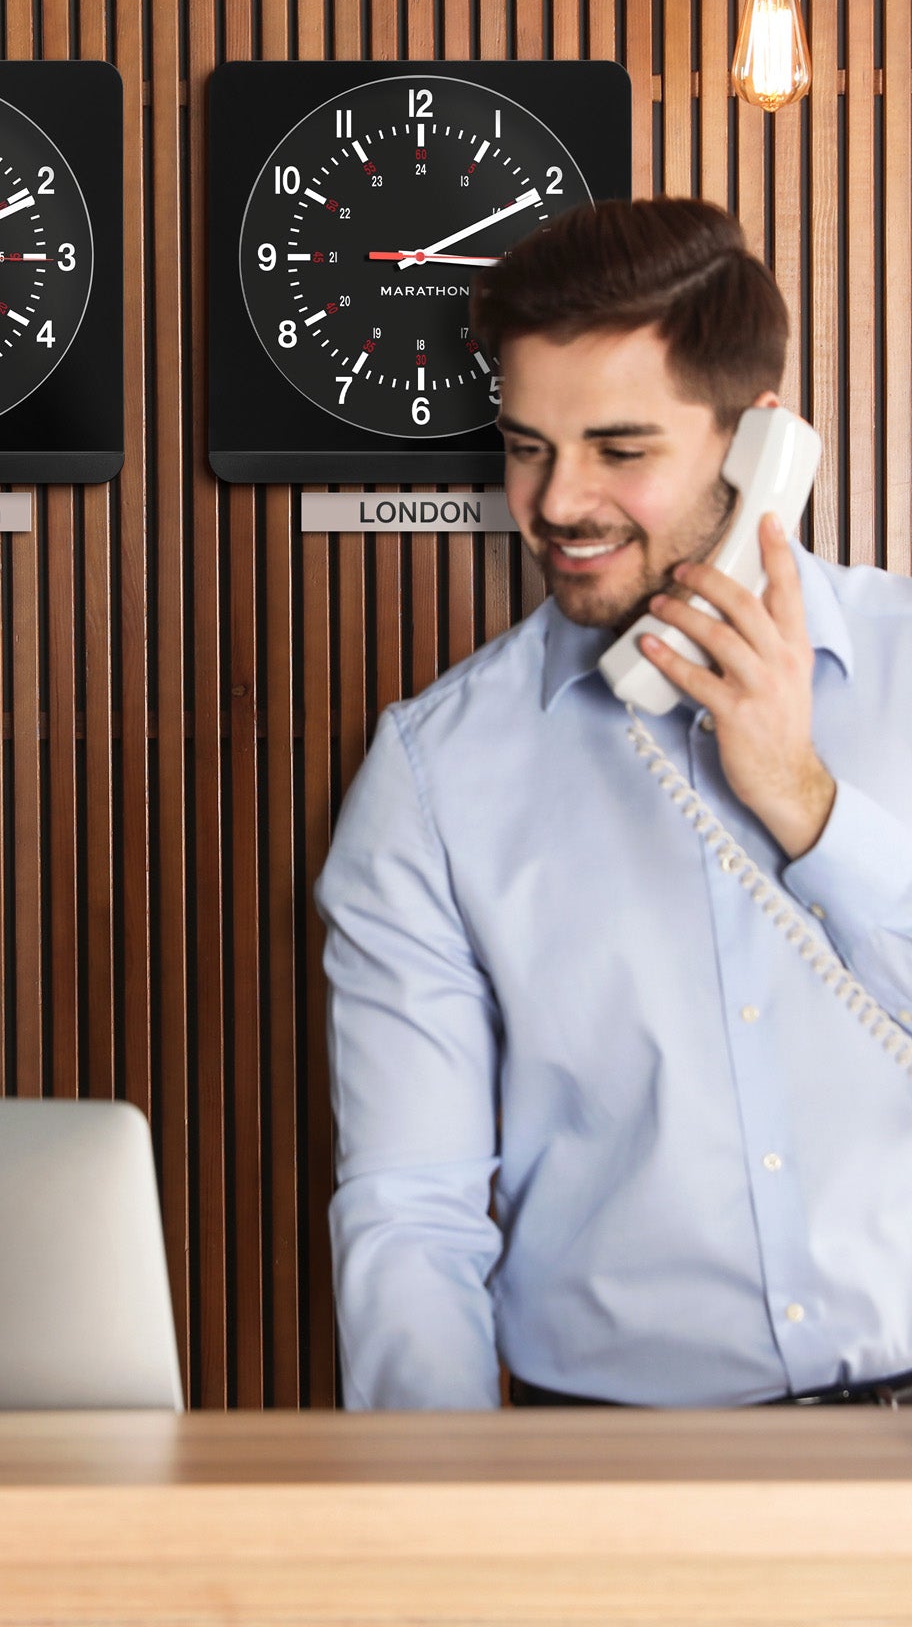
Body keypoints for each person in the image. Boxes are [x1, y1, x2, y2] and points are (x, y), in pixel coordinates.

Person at [318, 197, 912, 1410]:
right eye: (525, 444)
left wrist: (804, 805)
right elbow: (410, 1212)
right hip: (606, 1461)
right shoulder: (432, 775)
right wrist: (444, 1531)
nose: (553, 501)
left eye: (618, 449)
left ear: (755, 449)